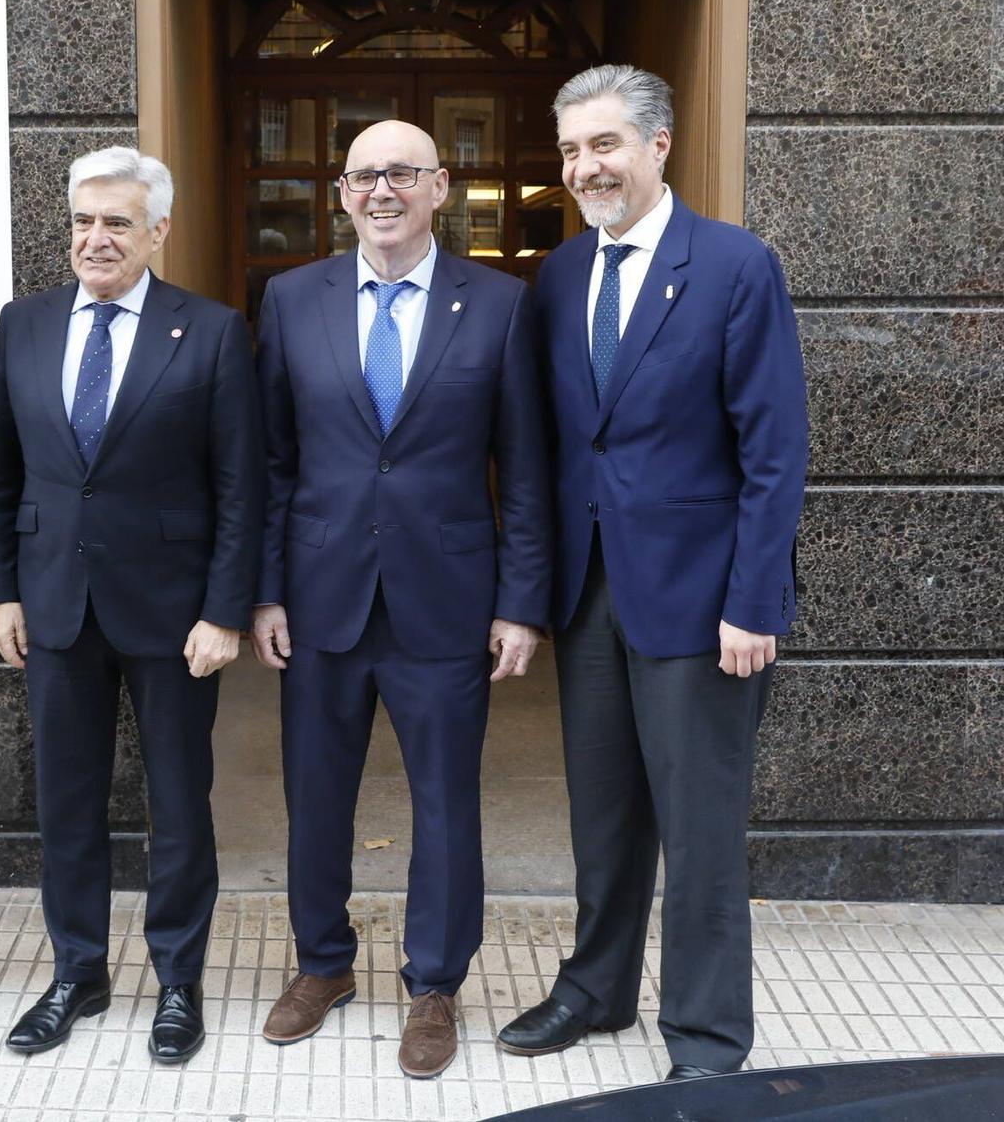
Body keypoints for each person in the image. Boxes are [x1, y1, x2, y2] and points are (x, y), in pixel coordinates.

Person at [497, 64, 808, 1080]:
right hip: (590, 595)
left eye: (605, 145)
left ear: (657, 144)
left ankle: (708, 1038)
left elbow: (773, 451)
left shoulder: (731, 266)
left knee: (699, 831)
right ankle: (595, 989)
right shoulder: (555, 278)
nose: (585, 167)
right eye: (572, 149)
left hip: (702, 604)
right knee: (602, 815)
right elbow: (551, 451)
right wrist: (531, 595)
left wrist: (752, 601)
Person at [252, 120, 551, 1079]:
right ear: (342, 193)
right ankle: (322, 964)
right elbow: (271, 462)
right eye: (364, 175)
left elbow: (529, 470)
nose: (382, 190)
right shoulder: (290, 299)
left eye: (403, 174)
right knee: (316, 797)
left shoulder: (502, 304)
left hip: (448, 601)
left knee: (446, 802)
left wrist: (521, 602)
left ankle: (435, 984)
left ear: (440, 187)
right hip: (321, 594)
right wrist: (264, 592)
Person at [0, 148, 263, 1064]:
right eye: (83, 222)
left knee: (179, 802)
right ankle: (78, 972)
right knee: (67, 802)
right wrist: (2, 592)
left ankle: (178, 979)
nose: (96, 239)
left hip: (176, 616)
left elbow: (240, 486)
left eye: (117, 223)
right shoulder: (23, 326)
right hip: (55, 603)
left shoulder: (211, 332)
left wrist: (225, 609)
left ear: (158, 232)